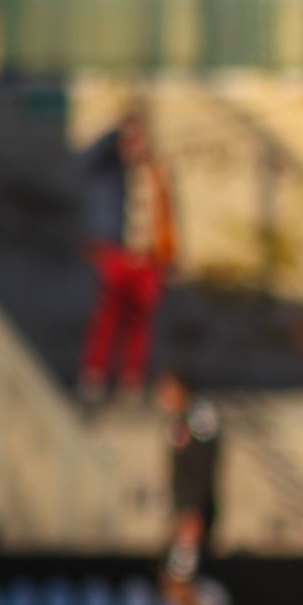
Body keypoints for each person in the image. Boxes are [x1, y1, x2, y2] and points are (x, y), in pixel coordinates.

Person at [77, 109, 178, 402]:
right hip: (116, 253)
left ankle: (131, 379)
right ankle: (94, 374)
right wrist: (112, 137)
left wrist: (169, 256)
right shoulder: (110, 169)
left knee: (140, 321)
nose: (135, 143)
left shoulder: (154, 170)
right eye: (130, 137)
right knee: (107, 317)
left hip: (147, 257)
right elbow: (86, 162)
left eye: (139, 137)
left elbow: (166, 215)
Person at [154, 370, 228, 605]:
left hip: (192, 514)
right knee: (176, 583)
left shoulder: (200, 417)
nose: (163, 397)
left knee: (179, 582)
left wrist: (193, 511)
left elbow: (203, 467)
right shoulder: (179, 420)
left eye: (167, 389)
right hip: (184, 511)